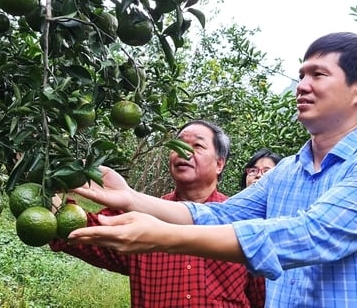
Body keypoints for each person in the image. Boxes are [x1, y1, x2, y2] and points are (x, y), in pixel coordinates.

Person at [68, 32, 357, 307]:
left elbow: (310, 235)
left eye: (318, 74)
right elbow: (221, 215)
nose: (302, 85)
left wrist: (162, 237)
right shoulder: (286, 173)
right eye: (301, 74)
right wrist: (132, 198)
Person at [49, 120, 265, 308]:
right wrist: (42, 177)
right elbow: (75, 230)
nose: (183, 152)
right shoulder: (140, 218)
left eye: (197, 145)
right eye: (178, 145)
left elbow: (262, 298)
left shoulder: (242, 221)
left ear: (219, 163)